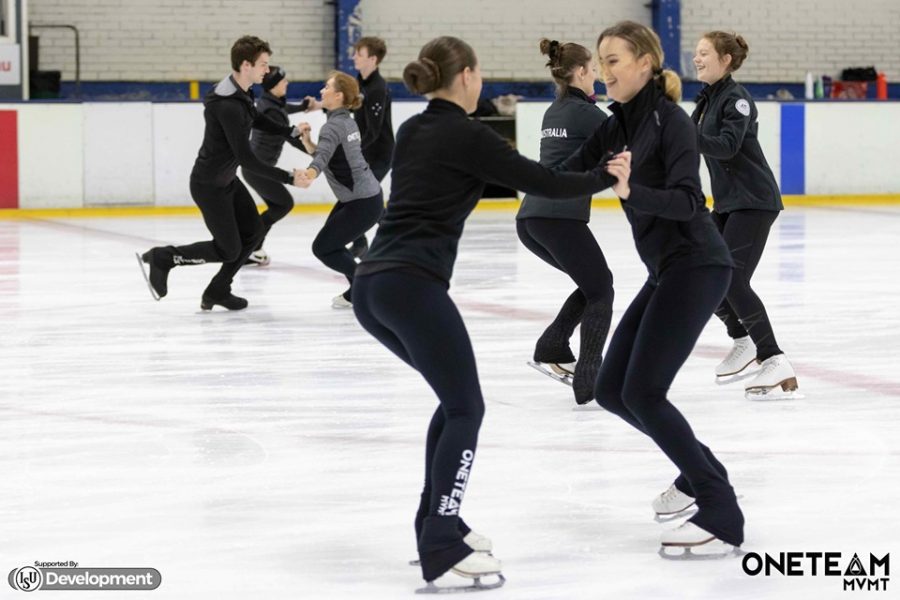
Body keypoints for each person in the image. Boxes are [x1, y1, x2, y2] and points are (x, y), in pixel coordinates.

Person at [351, 36, 616, 591]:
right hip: (410, 286)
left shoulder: (416, 128)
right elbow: (542, 181)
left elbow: (489, 180)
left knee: (453, 404)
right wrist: (607, 177)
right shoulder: (467, 134)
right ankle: (441, 543)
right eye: (481, 73)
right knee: (466, 408)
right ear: (467, 76)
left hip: (372, 286)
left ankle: (435, 523)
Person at [558, 21, 744, 551]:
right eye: (601, 60)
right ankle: (699, 468)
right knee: (613, 390)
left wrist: (630, 189)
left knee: (643, 391)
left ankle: (720, 510)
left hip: (699, 265)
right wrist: (497, 174)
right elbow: (568, 170)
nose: (605, 70)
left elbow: (689, 202)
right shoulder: (615, 123)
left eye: (614, 60)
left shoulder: (671, 122)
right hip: (665, 269)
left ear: (645, 62)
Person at [137, 36, 305, 310]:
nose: (267, 70)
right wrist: (288, 178)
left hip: (227, 181)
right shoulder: (227, 105)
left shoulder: (241, 91)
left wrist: (287, 130)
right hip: (209, 186)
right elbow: (246, 158)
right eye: (263, 65)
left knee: (252, 234)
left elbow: (255, 118)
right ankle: (164, 258)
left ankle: (218, 290)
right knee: (228, 249)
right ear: (246, 64)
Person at [692, 31, 798, 398]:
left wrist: (681, 134)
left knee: (732, 279)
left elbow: (726, 146)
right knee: (706, 275)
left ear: (726, 60)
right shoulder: (706, 100)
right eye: (696, 52)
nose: (696, 58)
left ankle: (773, 358)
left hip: (753, 201)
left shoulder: (735, 99)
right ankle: (743, 339)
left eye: (704, 53)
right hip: (727, 203)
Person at [516, 38, 614, 405]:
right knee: (601, 289)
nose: (597, 77)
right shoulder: (586, 114)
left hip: (532, 218)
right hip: (558, 218)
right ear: (579, 72)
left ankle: (553, 345)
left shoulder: (554, 110)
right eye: (593, 69)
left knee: (592, 285)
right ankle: (588, 378)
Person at [295, 72, 384, 309]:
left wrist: (310, 173)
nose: (322, 91)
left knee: (323, 248)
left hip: (361, 202)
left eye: (327, 87)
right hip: (363, 198)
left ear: (338, 95)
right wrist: (306, 140)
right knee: (330, 244)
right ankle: (358, 289)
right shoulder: (346, 120)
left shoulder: (334, 126)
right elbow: (329, 154)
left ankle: (364, 285)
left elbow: (322, 158)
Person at [306, 36, 394, 259]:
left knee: (362, 199)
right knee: (356, 198)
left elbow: (374, 131)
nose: (354, 57)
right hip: (363, 150)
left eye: (359, 54)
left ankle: (391, 237)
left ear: (373, 59)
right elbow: (347, 105)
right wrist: (320, 106)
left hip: (379, 153)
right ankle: (361, 242)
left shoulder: (377, 88)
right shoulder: (360, 81)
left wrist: (352, 150)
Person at [242, 66, 310, 267]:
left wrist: (304, 106)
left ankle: (252, 248)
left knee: (277, 206)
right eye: (282, 81)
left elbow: (284, 109)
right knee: (283, 204)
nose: (286, 83)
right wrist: (317, 152)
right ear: (273, 86)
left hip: (256, 168)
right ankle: (249, 247)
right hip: (259, 169)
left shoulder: (269, 103)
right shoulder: (273, 110)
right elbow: (291, 138)